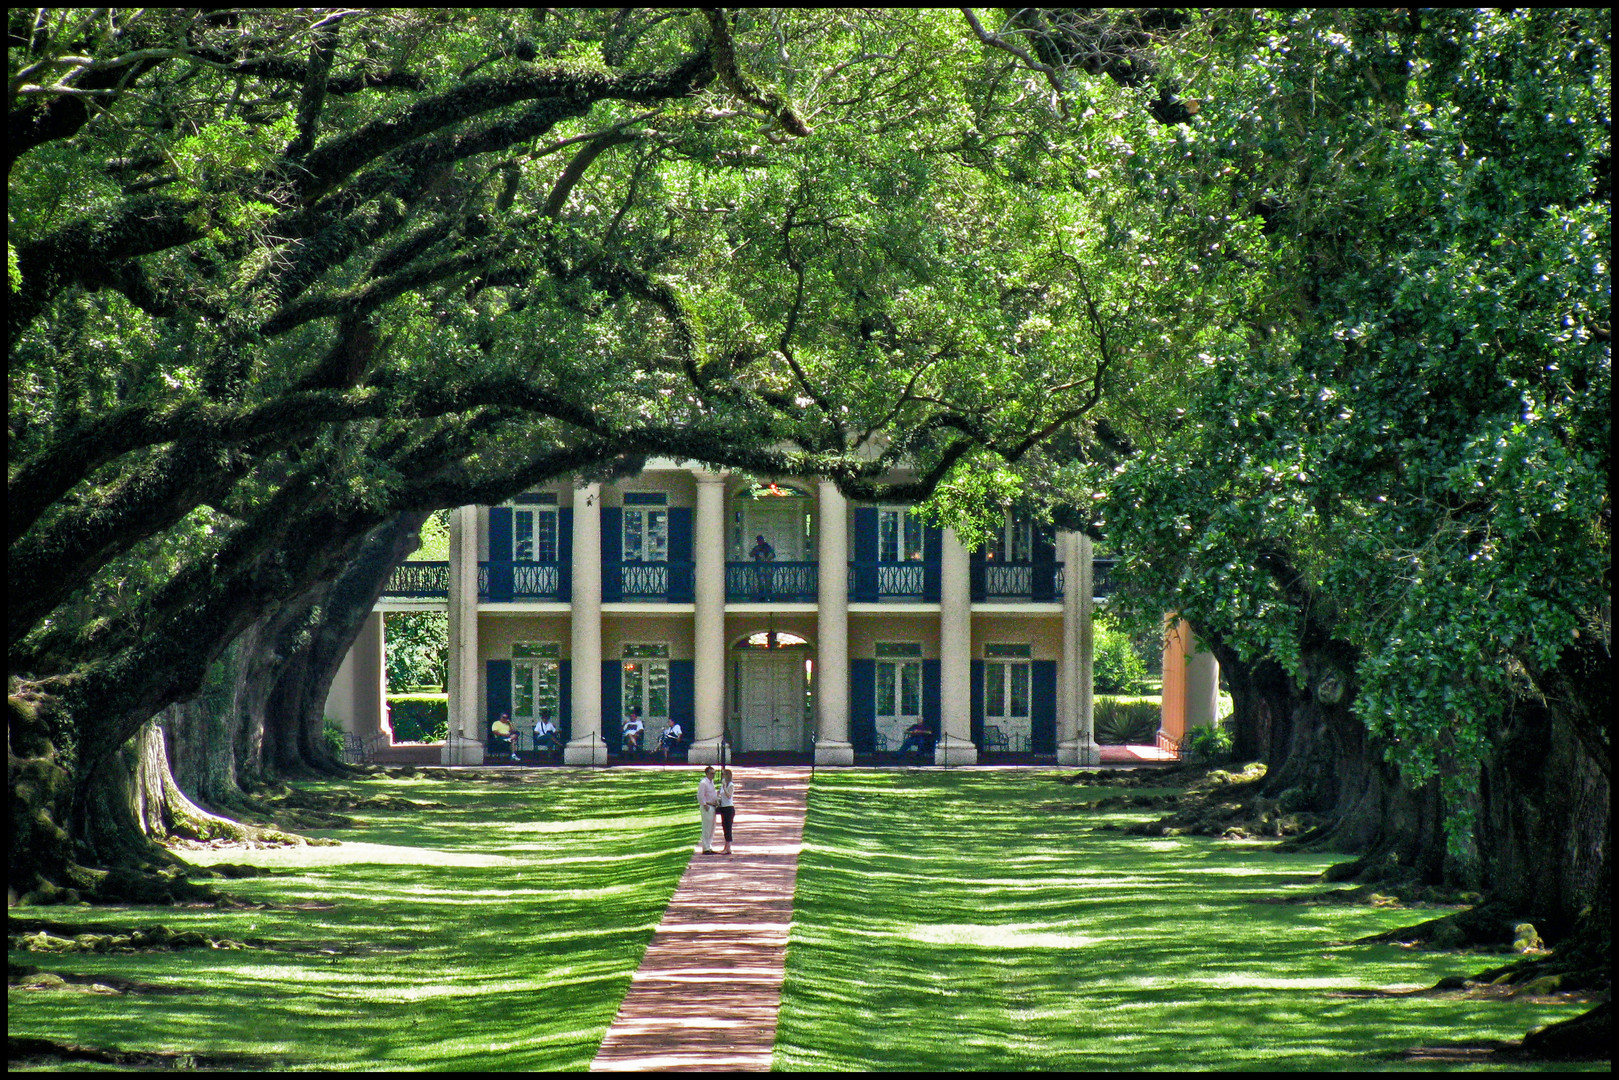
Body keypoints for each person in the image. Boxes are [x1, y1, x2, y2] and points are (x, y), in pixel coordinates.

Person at [697, 766, 720, 854]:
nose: (713, 775)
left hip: (713, 806)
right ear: (707, 773)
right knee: (706, 827)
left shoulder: (711, 782)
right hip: (707, 807)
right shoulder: (704, 783)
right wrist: (704, 804)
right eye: (711, 773)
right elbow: (700, 795)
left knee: (712, 827)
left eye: (714, 773)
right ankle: (705, 847)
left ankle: (709, 845)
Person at [717, 768, 736, 855]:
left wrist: (724, 787)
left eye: (724, 775)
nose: (722, 777)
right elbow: (720, 795)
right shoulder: (722, 785)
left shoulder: (730, 785)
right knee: (724, 827)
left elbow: (729, 796)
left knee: (728, 827)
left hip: (729, 808)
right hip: (723, 807)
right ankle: (726, 847)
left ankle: (729, 847)